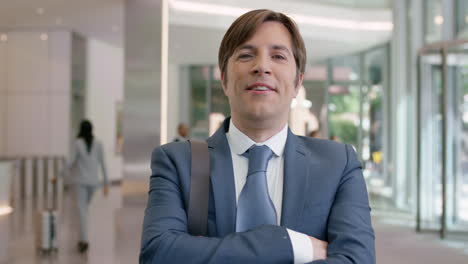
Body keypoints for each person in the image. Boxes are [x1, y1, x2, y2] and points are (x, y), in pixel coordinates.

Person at [140, 9, 375, 264]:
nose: (262, 66)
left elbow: (357, 259)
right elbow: (158, 254)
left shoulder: (338, 164)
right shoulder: (178, 162)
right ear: (224, 79)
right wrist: (288, 244)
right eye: (246, 55)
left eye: (278, 56)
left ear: (298, 82)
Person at [59, 120, 109, 253]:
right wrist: (106, 183)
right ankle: (82, 237)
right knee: (84, 210)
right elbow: (103, 164)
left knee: (82, 211)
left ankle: (84, 240)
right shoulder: (98, 144)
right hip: (93, 184)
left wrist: (59, 174)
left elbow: (70, 162)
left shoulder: (77, 143)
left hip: (81, 183)